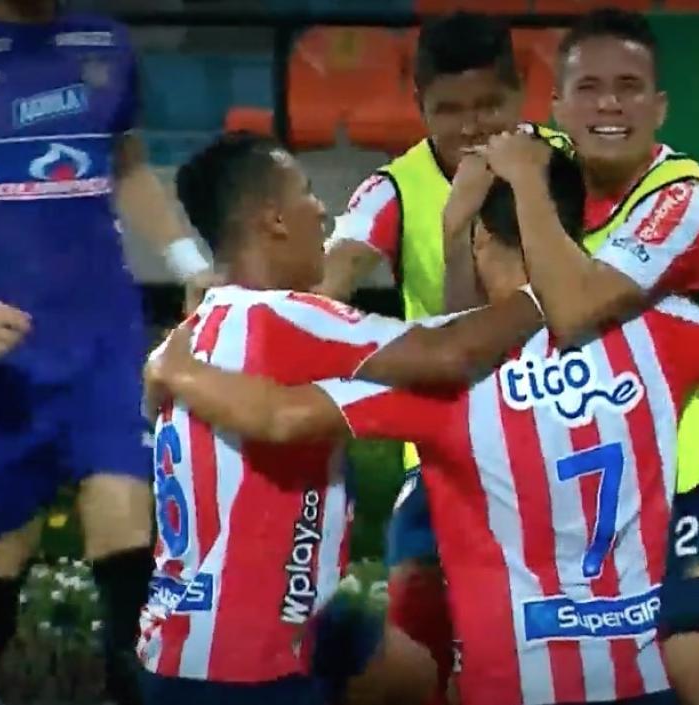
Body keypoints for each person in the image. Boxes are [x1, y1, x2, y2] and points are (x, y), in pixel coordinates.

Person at [143, 145, 699, 705]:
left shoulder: (445, 385)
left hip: (497, 685)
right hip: (638, 682)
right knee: (389, 661)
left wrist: (173, 373)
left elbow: (286, 414)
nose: (319, 209)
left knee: (397, 658)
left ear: (480, 240)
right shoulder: (662, 329)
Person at [134, 131, 568, 705]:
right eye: (307, 193)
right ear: (274, 220)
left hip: (202, 629)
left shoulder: (199, 328)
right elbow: (451, 351)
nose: (322, 211)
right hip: (241, 668)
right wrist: (561, 289)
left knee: (411, 674)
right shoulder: (284, 318)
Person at [458, 10, 699, 705]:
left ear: (659, 107)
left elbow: (574, 308)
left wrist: (528, 184)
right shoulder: (538, 166)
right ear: (559, 104)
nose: (609, 104)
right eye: (590, 87)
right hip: (575, 479)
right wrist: (462, 221)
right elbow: (467, 307)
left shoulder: (682, 199)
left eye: (629, 87)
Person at [313, 14, 569, 702]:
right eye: (448, 110)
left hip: (564, 445)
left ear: (521, 96)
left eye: (488, 104)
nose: (470, 126)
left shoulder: (566, 166)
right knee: (416, 655)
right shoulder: (391, 189)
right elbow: (335, 272)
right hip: (444, 460)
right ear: (419, 106)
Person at [0, 1, 217, 703]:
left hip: (102, 343)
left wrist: (186, 261)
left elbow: (128, 165)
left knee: (127, 533)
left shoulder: (105, 40)